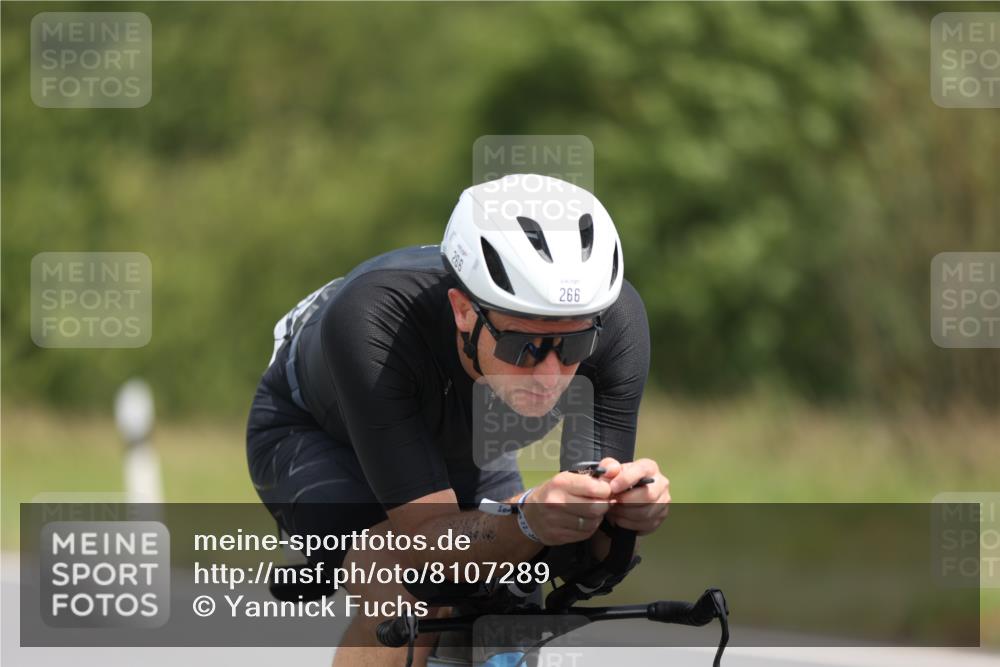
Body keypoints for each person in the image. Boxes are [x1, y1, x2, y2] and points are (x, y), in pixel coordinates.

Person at [246, 174, 669, 667]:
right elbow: (428, 544)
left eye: (574, 345)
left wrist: (625, 514)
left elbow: (583, 544)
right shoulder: (372, 321)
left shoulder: (616, 324)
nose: (550, 375)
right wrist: (529, 517)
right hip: (314, 434)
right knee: (406, 592)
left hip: (459, 442)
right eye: (524, 346)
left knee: (512, 608)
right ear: (464, 310)